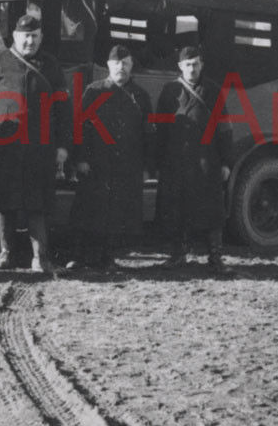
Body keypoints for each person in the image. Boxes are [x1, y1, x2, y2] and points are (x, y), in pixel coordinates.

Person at [0, 13, 70, 273]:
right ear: (15, 37)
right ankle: (6, 253)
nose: (30, 41)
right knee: (4, 200)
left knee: (39, 201)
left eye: (35, 36)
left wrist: (62, 146)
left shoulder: (50, 65)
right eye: (25, 36)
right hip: (5, 146)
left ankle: (40, 258)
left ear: (41, 38)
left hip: (40, 146)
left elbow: (63, 108)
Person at [68, 45, 154, 270]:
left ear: (131, 65)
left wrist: (146, 167)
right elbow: (80, 128)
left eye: (125, 63)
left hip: (126, 165)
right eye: (116, 63)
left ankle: (108, 257)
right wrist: (81, 159)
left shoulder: (140, 96)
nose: (121, 68)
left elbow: (148, 135)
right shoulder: (94, 91)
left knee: (116, 214)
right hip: (96, 163)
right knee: (87, 210)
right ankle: (78, 256)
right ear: (108, 65)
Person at [155, 45, 233, 272]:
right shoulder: (169, 91)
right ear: (180, 66)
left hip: (206, 161)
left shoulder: (213, 91)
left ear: (202, 65)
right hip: (176, 161)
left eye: (196, 64)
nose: (192, 68)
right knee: (176, 208)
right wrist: (159, 162)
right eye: (187, 64)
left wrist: (227, 162)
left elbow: (225, 129)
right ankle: (178, 255)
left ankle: (216, 258)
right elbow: (161, 129)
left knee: (211, 211)